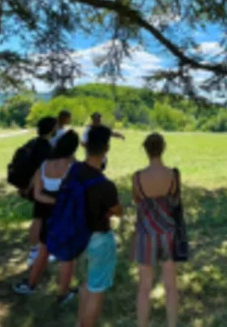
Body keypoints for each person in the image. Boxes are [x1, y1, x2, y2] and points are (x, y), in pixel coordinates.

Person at [15, 130, 80, 305]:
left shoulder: (44, 166)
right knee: (67, 256)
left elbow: (37, 194)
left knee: (43, 250)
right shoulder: (74, 168)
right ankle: (64, 293)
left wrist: (52, 200)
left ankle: (31, 284)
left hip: (47, 215)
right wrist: (61, 202)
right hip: (66, 217)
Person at [76, 125, 123, 327]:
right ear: (107, 149)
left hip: (76, 237)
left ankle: (80, 322)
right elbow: (118, 210)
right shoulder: (105, 185)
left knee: (86, 284)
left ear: (84, 145)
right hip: (98, 239)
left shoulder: (72, 172)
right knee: (97, 289)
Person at [131, 133, 180, 327]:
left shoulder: (137, 177)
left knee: (144, 287)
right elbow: (175, 199)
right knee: (171, 286)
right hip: (168, 232)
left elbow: (137, 200)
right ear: (163, 148)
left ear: (146, 150)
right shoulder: (172, 174)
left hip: (145, 233)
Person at [27, 117, 59, 267]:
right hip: (43, 187)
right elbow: (42, 168)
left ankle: (35, 250)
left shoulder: (34, 142)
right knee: (42, 219)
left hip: (34, 185)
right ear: (52, 128)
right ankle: (38, 252)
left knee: (38, 218)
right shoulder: (46, 146)